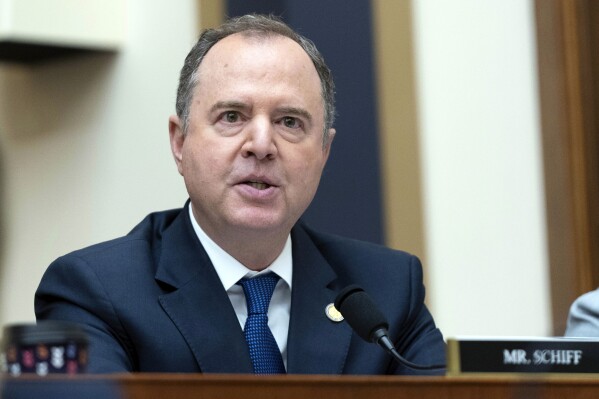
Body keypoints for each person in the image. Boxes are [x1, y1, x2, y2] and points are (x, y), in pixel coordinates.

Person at [35, 14, 445, 375]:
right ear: (180, 143)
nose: (262, 144)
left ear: (324, 152)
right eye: (232, 117)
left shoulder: (387, 291)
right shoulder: (91, 291)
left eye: (289, 121)